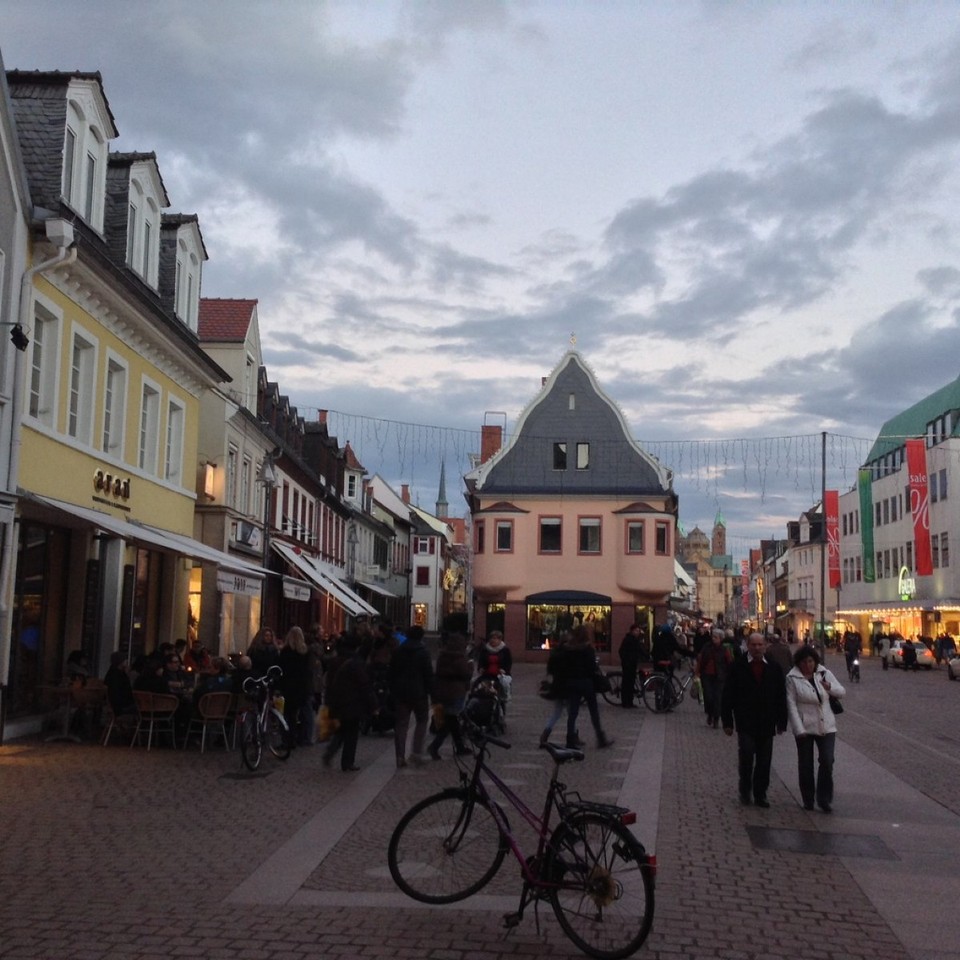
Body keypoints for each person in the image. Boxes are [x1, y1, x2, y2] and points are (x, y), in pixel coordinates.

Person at [721, 631, 788, 808]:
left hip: (767, 722)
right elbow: (728, 695)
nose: (757, 648)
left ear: (765, 646)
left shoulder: (774, 667)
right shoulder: (738, 666)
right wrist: (727, 721)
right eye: (754, 645)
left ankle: (761, 793)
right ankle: (745, 789)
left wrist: (782, 721)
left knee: (764, 761)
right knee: (747, 756)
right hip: (746, 721)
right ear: (748, 646)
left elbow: (781, 696)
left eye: (760, 645)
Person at [785, 645, 845, 813]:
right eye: (804, 662)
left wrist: (829, 688)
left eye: (810, 661)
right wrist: (798, 729)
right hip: (804, 726)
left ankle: (824, 798)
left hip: (827, 725)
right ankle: (808, 799)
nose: (808, 665)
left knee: (827, 760)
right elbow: (791, 705)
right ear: (799, 663)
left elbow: (842, 692)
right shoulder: (792, 678)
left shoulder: (824, 673)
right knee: (805, 764)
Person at [323, 635, 379, 771]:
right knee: (351, 734)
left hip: (337, 701)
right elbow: (364, 685)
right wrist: (374, 705)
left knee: (341, 731)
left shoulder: (335, 660)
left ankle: (330, 753)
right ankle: (347, 762)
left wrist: (328, 701)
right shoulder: (355, 663)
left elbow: (329, 682)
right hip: (352, 702)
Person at [560, 626, 613, 750]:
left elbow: (564, 666)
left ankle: (570, 740)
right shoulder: (588, 648)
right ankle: (601, 738)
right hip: (586, 682)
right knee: (593, 711)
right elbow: (591, 667)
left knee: (572, 713)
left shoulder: (568, 649)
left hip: (572, 682)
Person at [389, 625, 434, 767]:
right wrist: (431, 692)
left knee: (401, 724)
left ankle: (399, 756)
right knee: (422, 721)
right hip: (419, 692)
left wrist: (393, 689)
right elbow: (428, 674)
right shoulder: (423, 652)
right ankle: (416, 753)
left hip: (401, 692)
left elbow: (391, 672)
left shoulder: (398, 651)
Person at [428, 633, 472, 759]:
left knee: (451, 720)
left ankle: (460, 747)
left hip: (442, 691)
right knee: (450, 720)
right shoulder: (460, 658)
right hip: (456, 691)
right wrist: (470, 666)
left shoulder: (442, 656)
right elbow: (466, 675)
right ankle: (435, 746)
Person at [279, 626, 316, 746]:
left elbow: (282, 670)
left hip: (289, 687)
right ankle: (305, 737)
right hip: (303, 687)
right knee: (305, 714)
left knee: (288, 714)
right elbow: (309, 670)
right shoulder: (306, 652)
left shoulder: (285, 652)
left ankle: (289, 739)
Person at [696, 628, 733, 728]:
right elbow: (700, 659)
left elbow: (729, 662)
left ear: (721, 639)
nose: (713, 639)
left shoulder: (724, 649)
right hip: (707, 675)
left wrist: (729, 675)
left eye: (716, 637)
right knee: (708, 697)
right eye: (713, 637)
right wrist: (697, 672)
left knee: (718, 698)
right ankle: (710, 714)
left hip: (719, 676)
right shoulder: (706, 647)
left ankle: (716, 718)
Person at [618, 624, 642, 708]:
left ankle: (630, 702)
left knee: (631, 683)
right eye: (636, 630)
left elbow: (639, 650)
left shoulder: (635, 639)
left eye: (638, 631)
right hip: (628, 664)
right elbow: (621, 651)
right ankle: (625, 702)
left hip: (632, 664)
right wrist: (626, 660)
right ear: (632, 631)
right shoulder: (628, 639)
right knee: (626, 683)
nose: (638, 632)